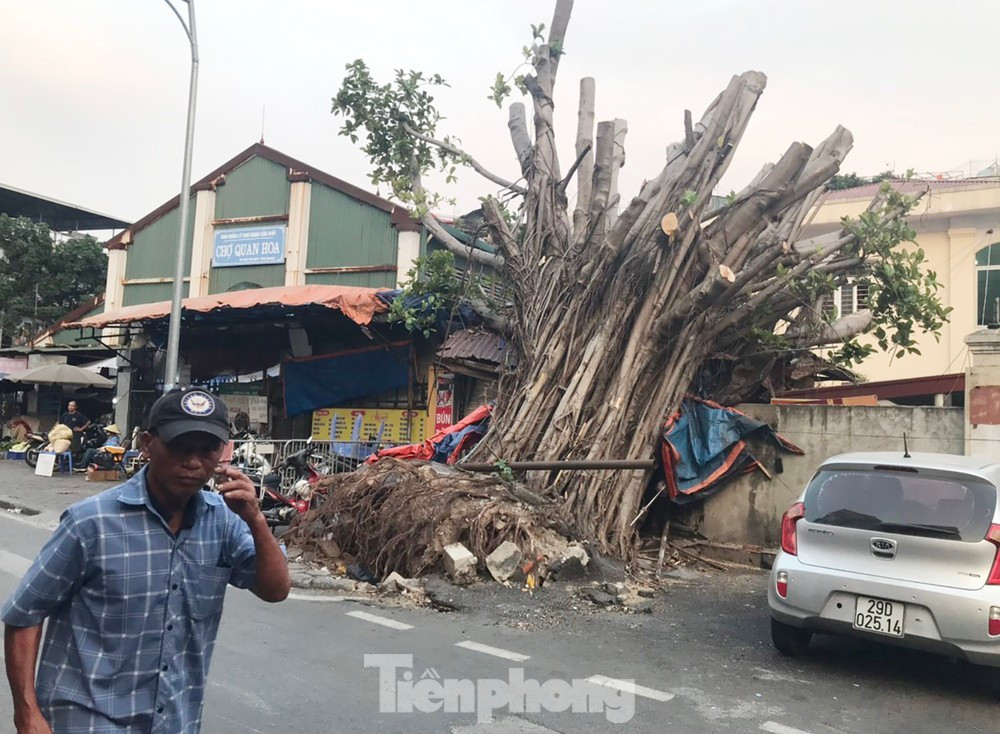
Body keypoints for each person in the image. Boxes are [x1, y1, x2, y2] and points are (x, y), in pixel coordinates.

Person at [2, 388, 291, 733]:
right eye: (180, 446)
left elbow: (275, 590)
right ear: (147, 443)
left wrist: (256, 519)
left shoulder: (225, 522)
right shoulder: (90, 523)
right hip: (87, 720)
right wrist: (27, 713)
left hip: (174, 721)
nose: (194, 462)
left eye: (208, 449)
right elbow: (25, 615)